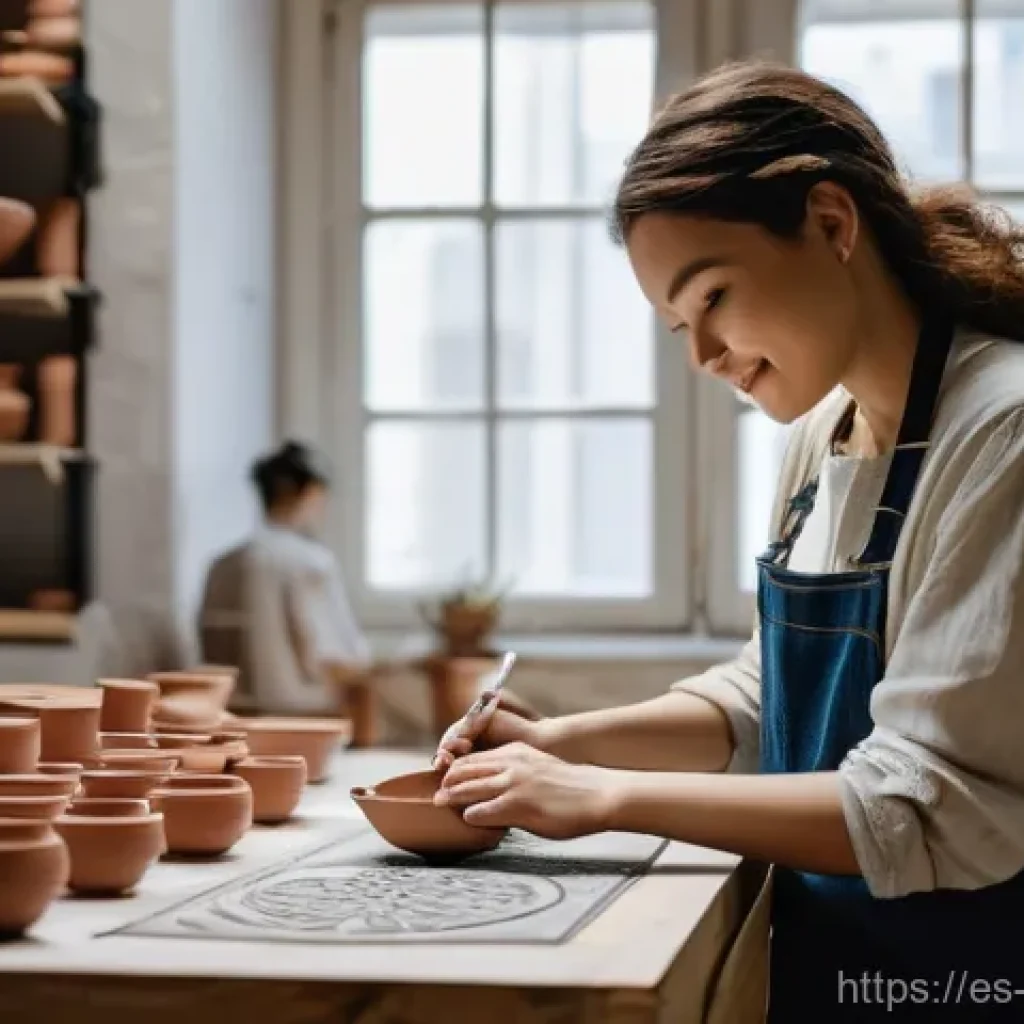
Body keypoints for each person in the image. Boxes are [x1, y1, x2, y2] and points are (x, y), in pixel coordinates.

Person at [432, 61, 1024, 1021]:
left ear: (832, 223)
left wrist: (603, 795)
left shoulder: (1003, 432)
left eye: (712, 297)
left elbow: (923, 801)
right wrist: (557, 743)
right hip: (838, 961)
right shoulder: (821, 434)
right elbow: (761, 699)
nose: (702, 357)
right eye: (677, 324)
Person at [198, 441, 375, 743]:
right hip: (302, 719)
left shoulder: (222, 564)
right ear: (310, 493)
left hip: (231, 718)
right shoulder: (310, 562)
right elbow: (332, 656)